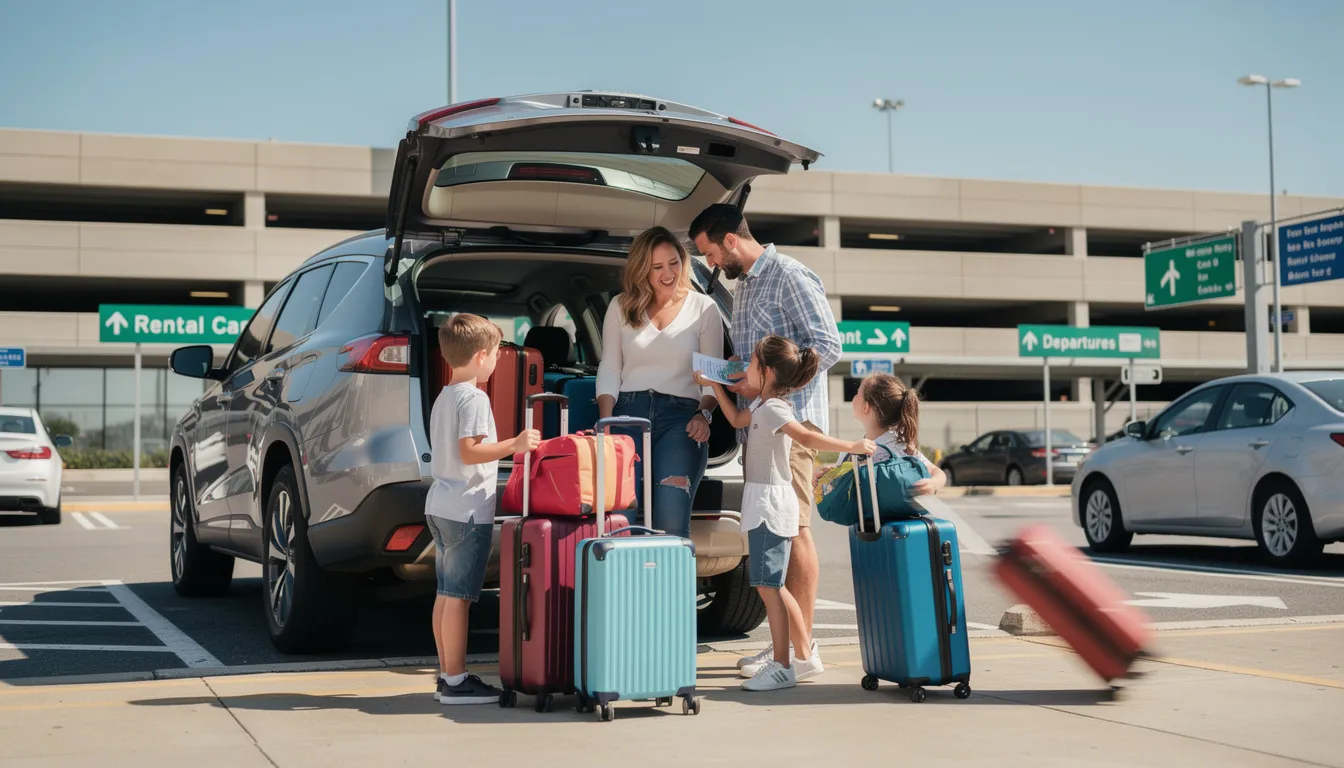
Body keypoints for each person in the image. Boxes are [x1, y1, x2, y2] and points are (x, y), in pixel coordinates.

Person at [689, 204, 841, 678]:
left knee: (796, 533)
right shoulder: (748, 284)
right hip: (757, 425)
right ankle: (784, 645)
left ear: (730, 240)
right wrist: (733, 375)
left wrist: (772, 392)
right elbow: (752, 357)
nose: (711, 264)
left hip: (790, 427)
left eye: (710, 253)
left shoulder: (790, 275)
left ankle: (802, 650)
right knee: (775, 533)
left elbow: (828, 345)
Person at [696, 335, 875, 691]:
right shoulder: (763, 407)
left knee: (768, 586)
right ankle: (803, 657)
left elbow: (807, 439)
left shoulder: (777, 408)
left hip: (771, 505)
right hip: (762, 504)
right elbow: (734, 420)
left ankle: (782, 665)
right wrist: (714, 385)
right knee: (772, 586)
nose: (744, 369)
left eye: (751, 364)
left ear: (768, 371)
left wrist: (851, 446)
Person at [425, 313, 540, 705]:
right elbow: (469, 451)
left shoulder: (444, 395)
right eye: (495, 355)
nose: (496, 362)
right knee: (459, 597)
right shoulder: (474, 397)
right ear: (481, 356)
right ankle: (456, 682)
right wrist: (516, 444)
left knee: (445, 594)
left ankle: (447, 674)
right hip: (466, 510)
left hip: (441, 504)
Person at [596, 226, 723, 539]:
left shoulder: (704, 308)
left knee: (670, 521)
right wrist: (606, 423)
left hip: (681, 420)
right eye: (657, 267)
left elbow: (713, 376)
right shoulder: (620, 306)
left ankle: (666, 587)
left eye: (674, 263)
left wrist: (704, 414)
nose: (668, 273)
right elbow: (610, 367)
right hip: (626, 415)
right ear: (642, 270)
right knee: (619, 523)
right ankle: (619, 588)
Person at [848, 372, 947, 489]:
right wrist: (933, 483)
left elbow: (936, 472)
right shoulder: (900, 443)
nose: (854, 397)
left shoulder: (897, 446)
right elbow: (938, 473)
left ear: (866, 407)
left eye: (858, 394)